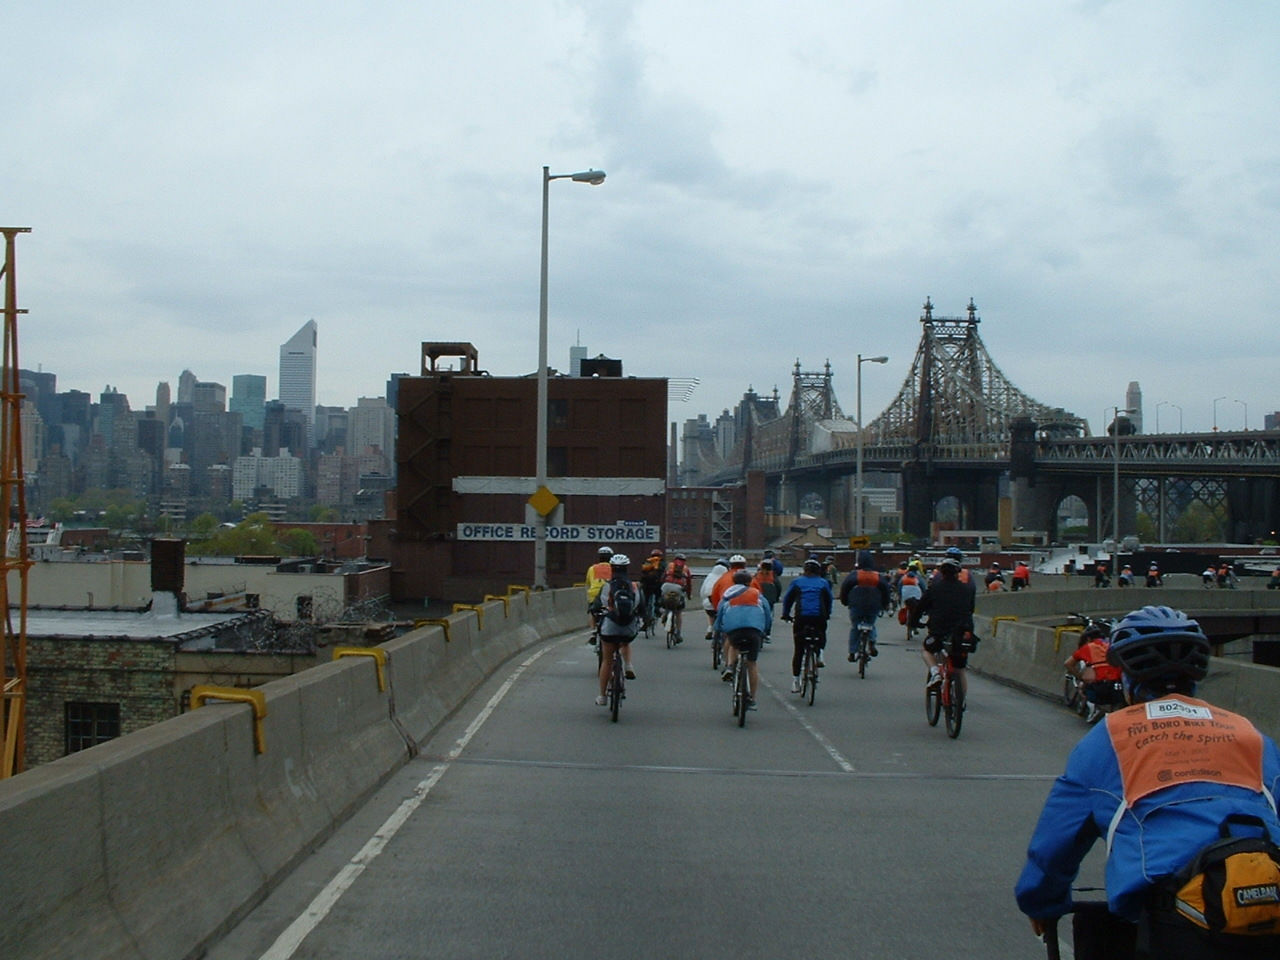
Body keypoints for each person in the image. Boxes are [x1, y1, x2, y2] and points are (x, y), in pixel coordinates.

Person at [1016, 605, 1280, 959]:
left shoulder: (1108, 738)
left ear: (1126, 677)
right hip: (1266, 906)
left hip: (1173, 922)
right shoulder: (1250, 734)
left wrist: (1041, 901)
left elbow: (1057, 841)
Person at [909, 554, 976, 692]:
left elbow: (920, 608)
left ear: (942, 573)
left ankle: (936, 673)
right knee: (960, 669)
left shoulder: (934, 588)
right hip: (961, 633)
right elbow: (970, 609)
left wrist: (914, 622)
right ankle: (961, 701)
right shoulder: (966, 590)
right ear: (957, 573)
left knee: (927, 650)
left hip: (938, 631)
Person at [713, 569, 771, 710]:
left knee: (733, 645)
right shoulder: (758, 595)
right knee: (752, 664)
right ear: (749, 582)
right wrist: (766, 630)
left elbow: (719, 614)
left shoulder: (728, 595)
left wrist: (718, 629)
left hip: (735, 631)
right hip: (754, 631)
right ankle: (752, 699)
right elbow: (768, 614)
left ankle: (730, 666)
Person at [780, 558, 834, 692]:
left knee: (799, 649)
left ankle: (795, 681)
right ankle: (820, 654)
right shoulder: (823, 582)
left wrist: (786, 614)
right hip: (819, 616)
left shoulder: (797, 582)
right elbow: (829, 599)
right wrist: (827, 613)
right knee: (822, 631)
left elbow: (788, 599)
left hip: (802, 617)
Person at [595, 554, 640, 705]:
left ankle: (602, 697)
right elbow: (640, 605)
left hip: (610, 626)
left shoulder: (607, 586)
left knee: (607, 660)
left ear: (612, 568)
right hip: (628, 628)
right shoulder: (633, 586)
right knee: (625, 643)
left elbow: (598, 605)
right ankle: (628, 665)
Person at [1064, 623, 1123, 723]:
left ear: (1088, 639)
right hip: (1118, 688)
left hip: (1100, 689)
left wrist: (1080, 677)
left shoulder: (1087, 647)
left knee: (1082, 687)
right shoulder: (1112, 645)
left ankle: (1094, 708)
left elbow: (1068, 664)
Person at [838, 550, 891, 662]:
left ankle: (852, 652)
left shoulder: (854, 575)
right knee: (871, 624)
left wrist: (845, 601)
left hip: (856, 606)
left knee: (855, 627)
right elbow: (886, 591)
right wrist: (884, 604)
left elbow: (845, 589)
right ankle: (871, 642)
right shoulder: (877, 576)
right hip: (873, 606)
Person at [712, 556, 751, 670]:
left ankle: (728, 664)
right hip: (748, 612)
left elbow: (715, 594)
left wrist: (717, 609)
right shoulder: (751, 578)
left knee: (729, 636)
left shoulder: (723, 577)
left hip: (727, 610)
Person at [660, 553, 693, 641]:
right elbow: (689, 584)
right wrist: (689, 595)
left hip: (666, 586)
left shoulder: (669, 566)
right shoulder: (686, 568)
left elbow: (663, 577)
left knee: (666, 602)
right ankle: (678, 633)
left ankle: (665, 615)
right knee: (678, 612)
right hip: (679, 588)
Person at [585, 546, 614, 640]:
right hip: (608, 594)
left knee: (592, 612)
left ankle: (593, 632)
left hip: (594, 594)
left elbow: (588, 583)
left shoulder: (592, 568)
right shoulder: (613, 568)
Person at [699, 557, 730, 640]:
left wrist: (703, 600)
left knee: (710, 613)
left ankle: (710, 628)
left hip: (709, 602)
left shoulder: (710, 576)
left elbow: (702, 591)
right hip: (722, 602)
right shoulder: (727, 577)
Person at [638, 549, 665, 628]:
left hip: (647, 584)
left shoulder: (648, 561)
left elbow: (642, 572)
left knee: (645, 601)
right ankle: (657, 609)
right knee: (658, 596)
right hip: (657, 584)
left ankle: (645, 620)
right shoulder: (662, 563)